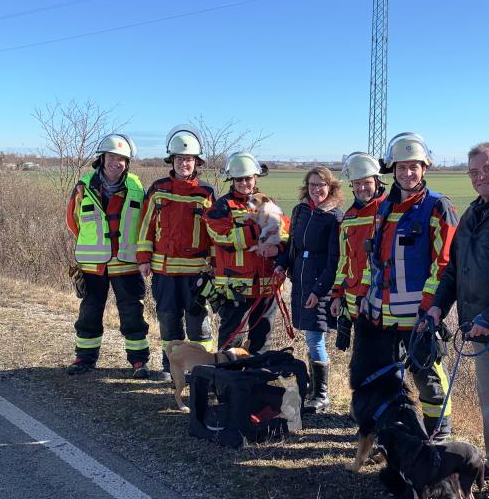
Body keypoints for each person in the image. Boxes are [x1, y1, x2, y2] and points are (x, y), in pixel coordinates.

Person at [427, 141, 489, 499]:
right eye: (474, 172)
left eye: (487, 169)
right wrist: (439, 306)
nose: (480, 177)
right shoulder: (472, 214)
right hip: (476, 329)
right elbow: (454, 269)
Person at [357, 132, 458, 440]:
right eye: (402, 167)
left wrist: (430, 310)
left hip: (418, 316)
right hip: (380, 316)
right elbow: (376, 261)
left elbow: (443, 265)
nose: (407, 173)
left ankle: (439, 435)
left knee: (427, 376)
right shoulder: (385, 207)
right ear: (393, 170)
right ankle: (391, 431)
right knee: (386, 379)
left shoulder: (438, 207)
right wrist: (365, 300)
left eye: (414, 166)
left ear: (424, 168)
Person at [66, 134, 150, 377]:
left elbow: (145, 223)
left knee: (133, 313)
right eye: (113, 157)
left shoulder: (136, 186)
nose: (117, 162)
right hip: (93, 265)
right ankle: (84, 359)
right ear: (102, 158)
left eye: (122, 159)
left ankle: (139, 362)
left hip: (126, 263)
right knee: (90, 311)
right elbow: (73, 221)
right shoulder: (84, 186)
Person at [137, 125, 215, 381]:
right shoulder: (158, 189)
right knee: (168, 320)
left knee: (197, 323)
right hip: (164, 271)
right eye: (180, 159)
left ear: (196, 162)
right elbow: (146, 226)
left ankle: (201, 369)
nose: (184, 163)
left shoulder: (207, 193)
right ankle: (170, 366)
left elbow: (215, 233)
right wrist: (143, 259)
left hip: (195, 274)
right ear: (172, 160)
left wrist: (214, 265)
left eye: (189, 159)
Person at [274, 166, 343, 414]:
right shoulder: (300, 210)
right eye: (312, 185)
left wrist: (319, 290)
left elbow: (334, 260)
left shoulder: (335, 217)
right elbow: (292, 245)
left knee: (315, 338)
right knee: (310, 337)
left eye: (321, 185)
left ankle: (322, 395)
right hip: (300, 282)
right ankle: (314, 389)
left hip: (319, 284)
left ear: (330, 187)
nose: (316, 190)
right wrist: (282, 266)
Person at [205, 152, 289, 354]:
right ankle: (226, 384)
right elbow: (221, 238)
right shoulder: (222, 207)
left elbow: (285, 233)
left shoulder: (268, 203)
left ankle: (255, 383)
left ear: (255, 178)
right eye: (239, 179)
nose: (244, 183)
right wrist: (257, 231)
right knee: (232, 341)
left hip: (266, 285)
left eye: (248, 178)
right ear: (232, 180)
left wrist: (278, 248)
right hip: (236, 287)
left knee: (262, 342)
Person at [329, 152, 386, 321]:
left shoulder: (389, 210)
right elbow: (344, 259)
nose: (362, 188)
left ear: (377, 181)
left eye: (367, 182)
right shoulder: (349, 217)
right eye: (357, 183)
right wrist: (337, 293)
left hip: (382, 300)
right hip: (353, 300)